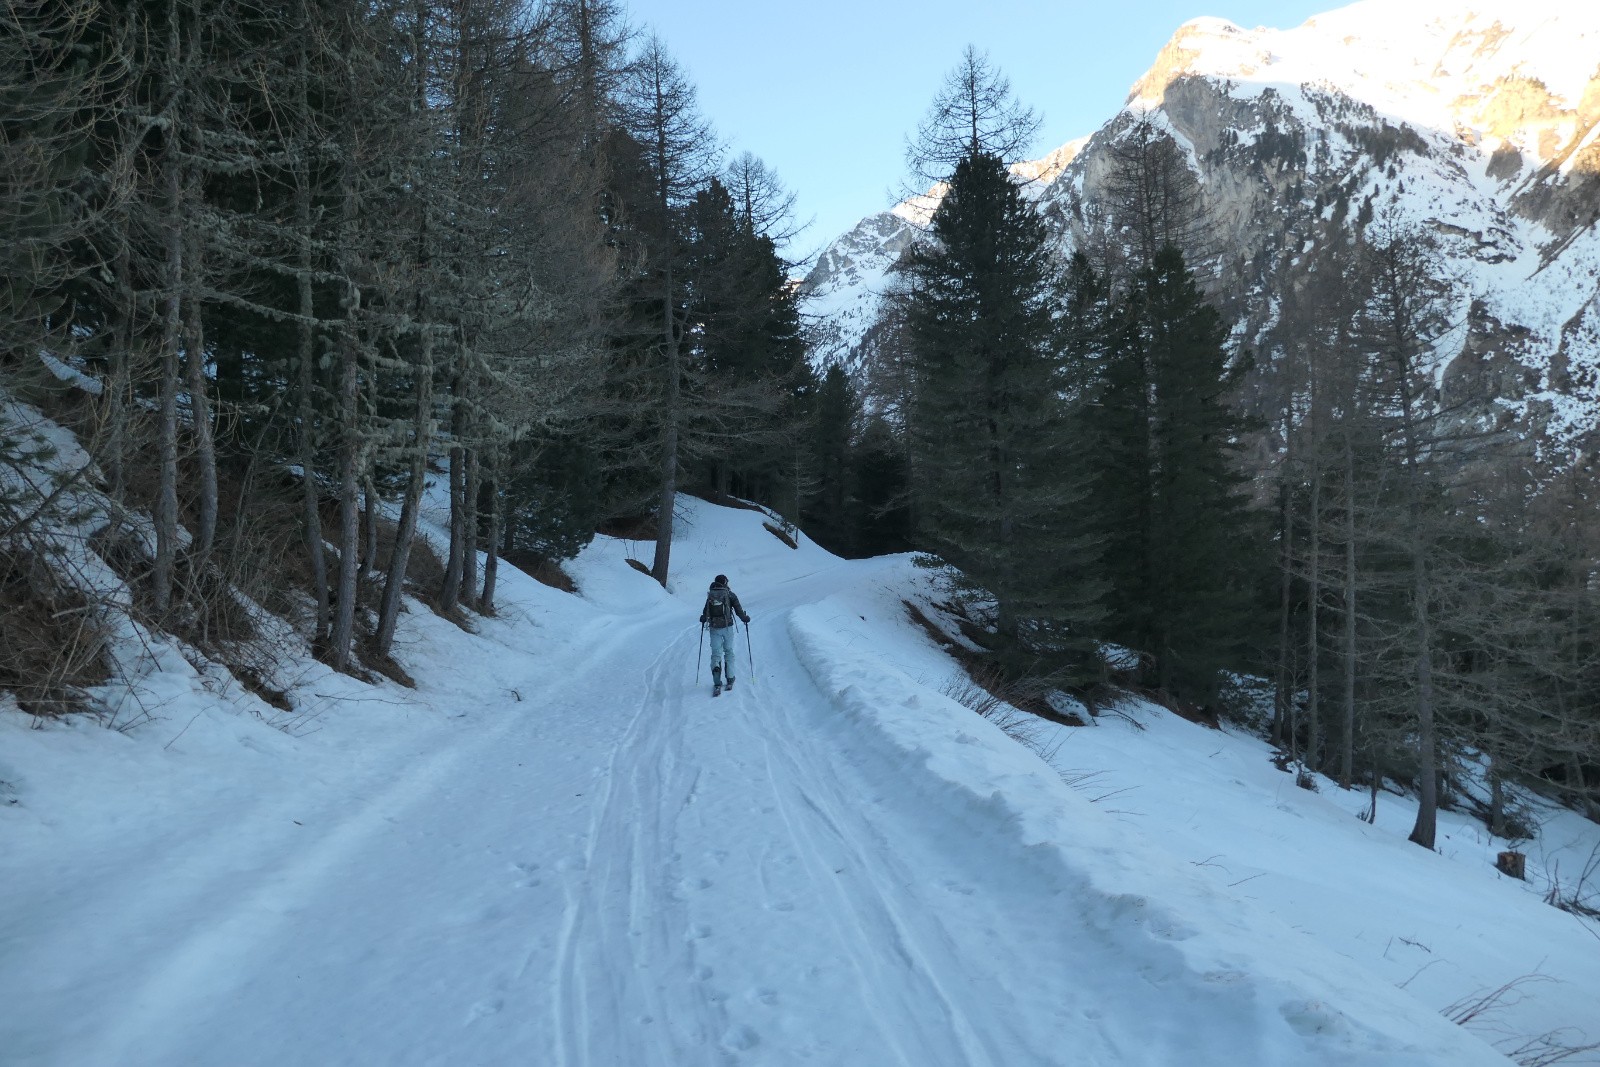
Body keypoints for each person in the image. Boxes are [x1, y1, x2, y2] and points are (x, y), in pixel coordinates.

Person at [699, 574, 750, 697]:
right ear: (726, 582)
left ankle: (717, 679)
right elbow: (738, 610)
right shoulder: (730, 594)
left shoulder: (711, 594)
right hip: (727, 627)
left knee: (716, 653)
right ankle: (730, 678)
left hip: (714, 628)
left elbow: (706, 611)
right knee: (729, 652)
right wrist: (745, 618)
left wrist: (703, 619)